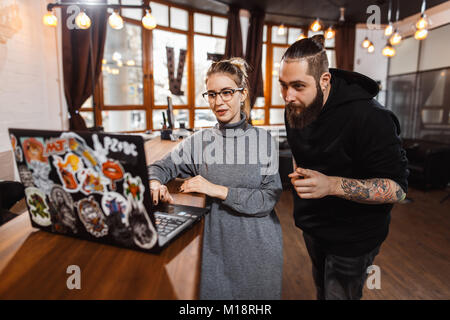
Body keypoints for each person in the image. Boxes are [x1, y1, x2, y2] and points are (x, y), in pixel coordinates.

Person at [279, 35, 408, 300]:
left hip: (354, 237)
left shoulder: (370, 117)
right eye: (283, 86)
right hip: (314, 227)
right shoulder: (295, 107)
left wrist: (331, 185)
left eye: (298, 86)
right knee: (322, 290)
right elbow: (300, 149)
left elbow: (397, 190)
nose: (288, 96)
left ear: (324, 80)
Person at [148, 58, 283, 300]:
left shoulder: (263, 141)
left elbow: (267, 199)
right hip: (214, 251)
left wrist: (216, 189)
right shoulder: (199, 141)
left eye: (227, 92)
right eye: (211, 94)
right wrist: (154, 182)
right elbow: (160, 166)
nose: (218, 101)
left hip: (257, 253)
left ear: (242, 95)